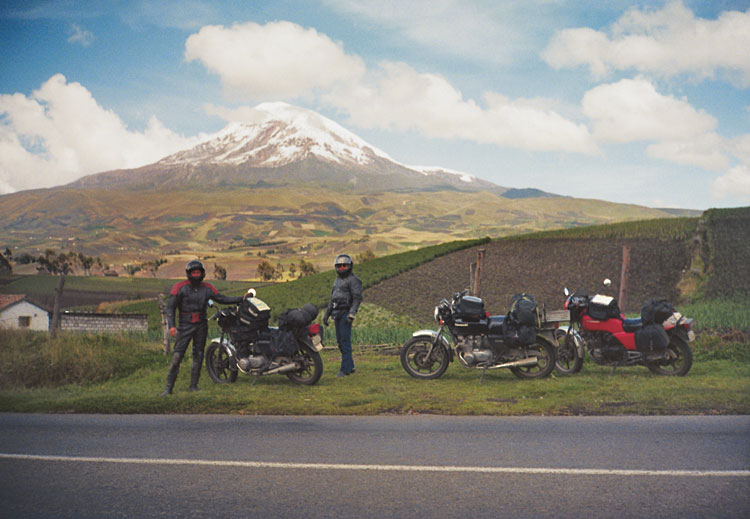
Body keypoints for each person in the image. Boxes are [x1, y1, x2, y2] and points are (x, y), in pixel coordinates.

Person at [160, 260, 244, 396]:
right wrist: (172, 326)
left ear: (202, 273)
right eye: (193, 272)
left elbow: (222, 298)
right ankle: (168, 389)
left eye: (198, 272)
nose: (196, 275)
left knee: (198, 355)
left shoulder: (207, 288)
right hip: (184, 325)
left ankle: (193, 386)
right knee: (177, 357)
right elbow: (171, 307)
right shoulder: (179, 287)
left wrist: (241, 298)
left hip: (201, 325)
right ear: (189, 274)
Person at [323, 254, 362, 377]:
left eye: (344, 265)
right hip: (336, 313)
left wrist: (352, 313)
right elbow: (332, 299)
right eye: (339, 266)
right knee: (340, 342)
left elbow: (357, 298)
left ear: (349, 266)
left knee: (345, 341)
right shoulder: (337, 281)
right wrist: (326, 314)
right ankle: (350, 366)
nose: (341, 268)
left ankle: (344, 369)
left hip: (345, 313)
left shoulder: (353, 280)